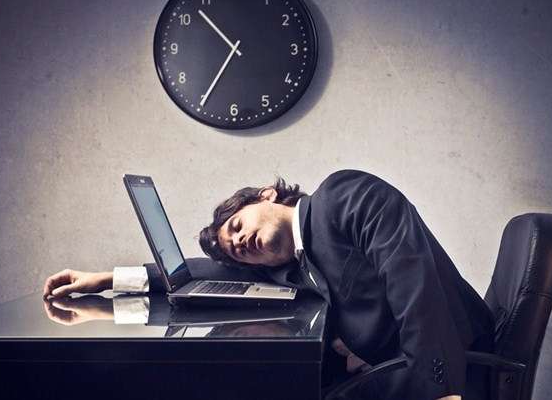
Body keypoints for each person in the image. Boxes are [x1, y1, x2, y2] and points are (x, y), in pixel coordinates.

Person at [43, 169, 494, 400]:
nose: (241, 243)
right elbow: (199, 272)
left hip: (450, 366)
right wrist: (107, 279)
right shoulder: (288, 266)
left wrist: (441, 390)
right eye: (237, 251)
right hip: (391, 366)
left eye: (237, 227)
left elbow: (415, 283)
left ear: (267, 195)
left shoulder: (342, 196)